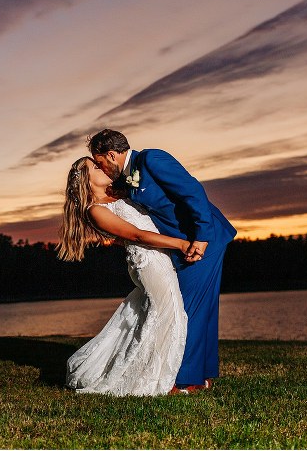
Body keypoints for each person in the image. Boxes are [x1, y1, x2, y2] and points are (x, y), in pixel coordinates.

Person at [88, 129, 237, 393]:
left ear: (111, 155)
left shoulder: (152, 160)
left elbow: (193, 192)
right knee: (197, 306)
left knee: (189, 308)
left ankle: (185, 381)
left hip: (204, 239)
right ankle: (201, 376)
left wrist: (202, 237)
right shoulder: (127, 179)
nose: (101, 168)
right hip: (182, 245)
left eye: (100, 162)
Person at [58, 156, 194, 396]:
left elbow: (124, 236)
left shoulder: (118, 196)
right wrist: (181, 244)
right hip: (148, 262)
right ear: (86, 180)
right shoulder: (96, 210)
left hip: (156, 257)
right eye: (94, 167)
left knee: (160, 316)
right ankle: (154, 383)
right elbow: (137, 236)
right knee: (167, 315)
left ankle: (161, 377)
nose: (101, 167)